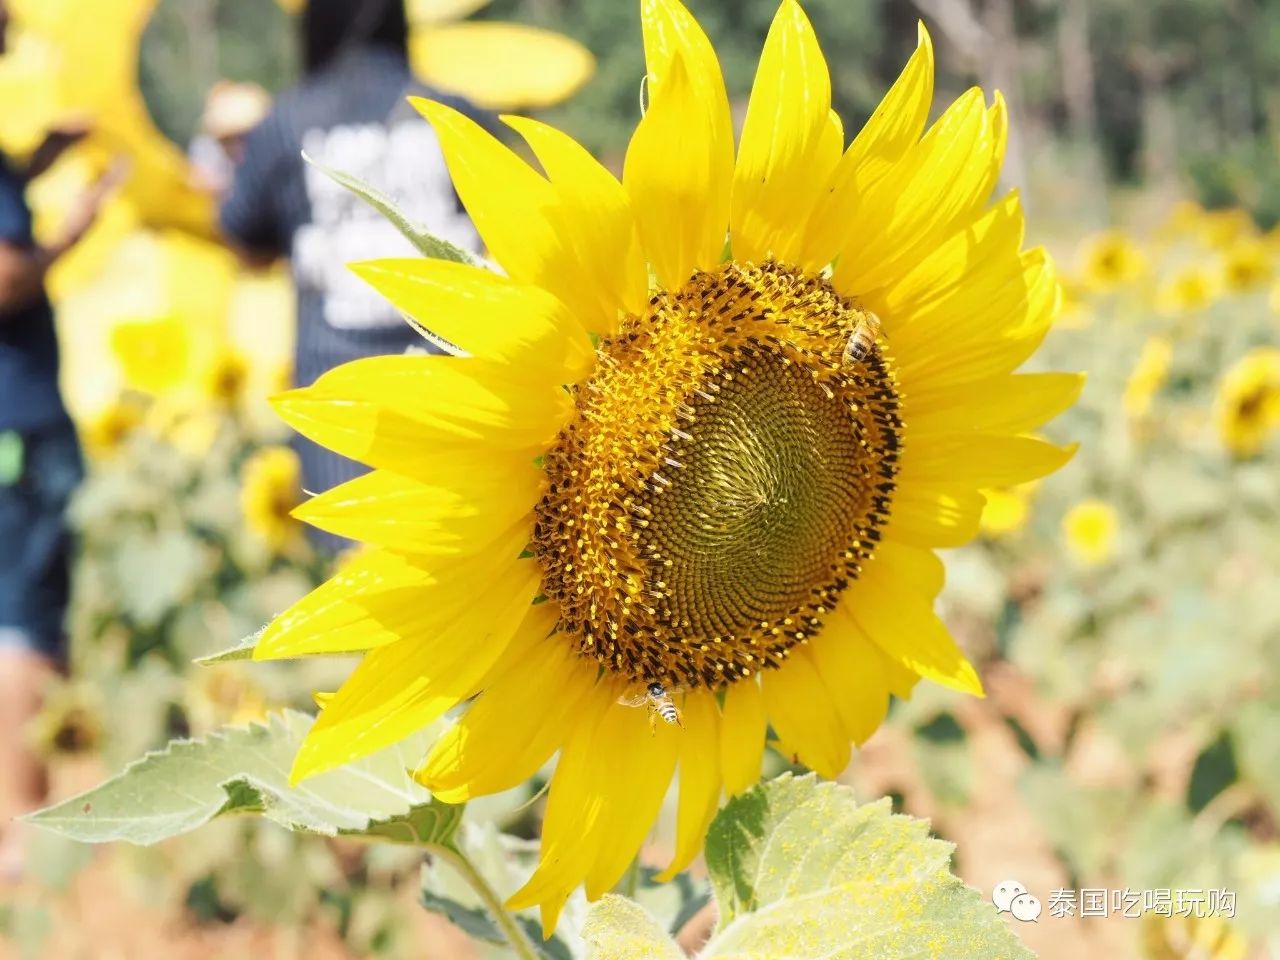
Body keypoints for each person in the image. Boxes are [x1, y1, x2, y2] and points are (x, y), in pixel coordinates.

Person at [220, 0, 489, 548]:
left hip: (341, 404)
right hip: (457, 397)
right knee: (467, 562)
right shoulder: (452, 114)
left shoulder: (285, 123)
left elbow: (243, 236)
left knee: (355, 580)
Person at [0, 0, 116, 878]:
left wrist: (35, 165)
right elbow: (4, 277)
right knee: (24, 620)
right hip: (20, 417)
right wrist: (71, 232)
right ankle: (19, 830)